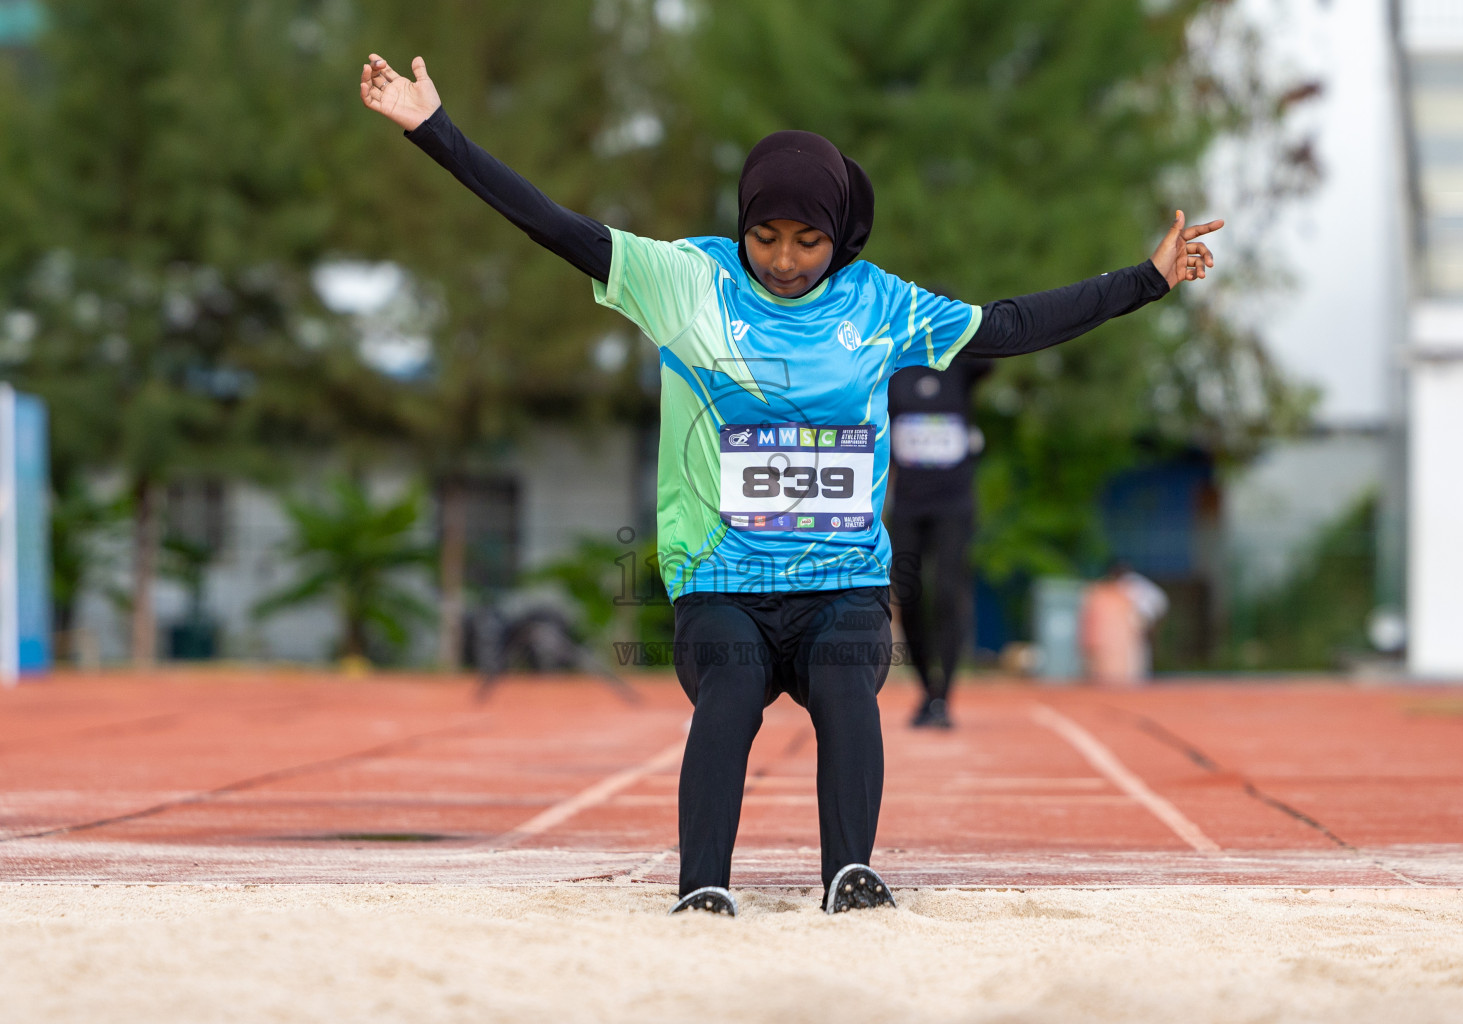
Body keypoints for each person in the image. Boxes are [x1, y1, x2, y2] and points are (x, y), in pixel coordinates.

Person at [359, 53, 1222, 916]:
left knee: (848, 685)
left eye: (807, 240)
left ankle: (851, 875)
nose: (783, 259)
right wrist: (435, 131)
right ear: (742, 223)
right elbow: (551, 223)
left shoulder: (881, 306)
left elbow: (1009, 324)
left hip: (842, 585)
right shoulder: (685, 283)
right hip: (718, 584)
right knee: (731, 689)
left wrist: (1147, 280)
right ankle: (703, 887)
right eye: (765, 236)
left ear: (840, 233)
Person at [887, 356, 992, 729]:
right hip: (908, 507)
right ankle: (927, 692)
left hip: (954, 507)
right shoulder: (894, 372)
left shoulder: (962, 369)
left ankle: (943, 696)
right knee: (909, 596)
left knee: (949, 592)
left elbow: (993, 346)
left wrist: (959, 329)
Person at [1079, 562, 1168, 686]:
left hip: (1140, 617)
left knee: (1137, 654)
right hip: (1134, 620)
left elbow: (1155, 604)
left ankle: (1138, 678)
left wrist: (1146, 620)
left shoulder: (1133, 584)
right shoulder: (1118, 584)